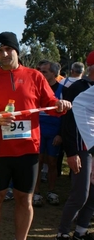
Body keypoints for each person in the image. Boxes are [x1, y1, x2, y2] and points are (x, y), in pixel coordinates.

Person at [0, 31, 71, 240]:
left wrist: (59, 106)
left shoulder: (35, 76)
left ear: (16, 51)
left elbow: (49, 105)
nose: (4, 54)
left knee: (25, 199)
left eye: (8, 49)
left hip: (28, 151)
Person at [55, 52, 94, 240]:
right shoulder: (78, 87)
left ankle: (80, 231)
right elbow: (68, 122)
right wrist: (71, 152)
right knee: (80, 194)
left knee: (93, 194)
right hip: (81, 148)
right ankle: (62, 232)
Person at [33, 60, 65, 207]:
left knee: (52, 163)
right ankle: (37, 192)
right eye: (39, 70)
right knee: (37, 162)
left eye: (44, 71)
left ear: (54, 73)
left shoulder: (62, 89)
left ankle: (52, 191)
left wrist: (60, 134)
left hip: (54, 132)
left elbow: (66, 115)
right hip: (38, 130)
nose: (41, 73)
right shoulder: (36, 88)